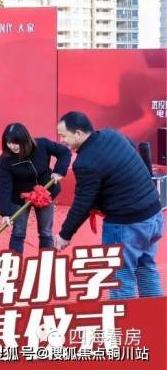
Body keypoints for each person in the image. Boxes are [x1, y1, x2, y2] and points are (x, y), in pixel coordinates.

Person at [54, 111, 163, 299]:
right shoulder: (111, 134)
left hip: (127, 225)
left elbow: (83, 203)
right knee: (146, 268)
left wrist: (65, 235)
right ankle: (156, 315)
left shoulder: (85, 162)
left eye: (64, 136)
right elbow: (131, 148)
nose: (62, 140)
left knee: (121, 278)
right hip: (153, 214)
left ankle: (126, 318)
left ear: (78, 133)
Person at [0, 123, 71, 254]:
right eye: (9, 143)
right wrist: (5, 213)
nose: (12, 146)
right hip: (20, 198)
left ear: (25, 140)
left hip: (44, 193)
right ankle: (14, 262)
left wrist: (59, 171)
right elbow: (4, 186)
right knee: (18, 231)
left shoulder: (41, 145)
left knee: (45, 231)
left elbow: (64, 152)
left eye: (16, 142)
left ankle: (46, 261)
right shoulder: (5, 160)